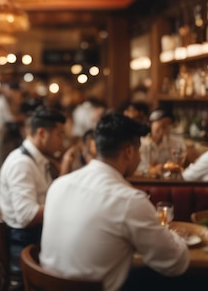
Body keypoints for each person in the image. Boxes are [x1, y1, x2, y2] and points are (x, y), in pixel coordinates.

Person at [40, 114, 189, 291]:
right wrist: (176, 237)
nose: (140, 159)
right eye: (139, 151)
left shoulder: (59, 185)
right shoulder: (129, 200)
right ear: (128, 151)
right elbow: (175, 263)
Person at [0, 106, 67, 282]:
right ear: (42, 133)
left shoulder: (37, 159)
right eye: (59, 134)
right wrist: (65, 206)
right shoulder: (22, 164)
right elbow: (26, 216)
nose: (62, 141)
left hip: (33, 236)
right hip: (25, 243)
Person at [137, 109, 185, 177]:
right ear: (151, 124)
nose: (164, 127)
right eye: (160, 123)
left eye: (168, 124)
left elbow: (178, 163)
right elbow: (141, 168)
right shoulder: (141, 143)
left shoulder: (175, 143)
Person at [0, 81, 22, 178]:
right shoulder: (1, 101)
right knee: (2, 164)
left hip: (4, 135)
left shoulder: (4, 101)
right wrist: (23, 118)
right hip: (1, 135)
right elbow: (11, 119)